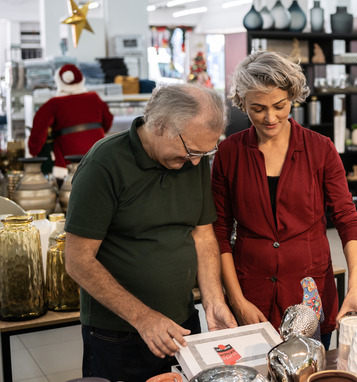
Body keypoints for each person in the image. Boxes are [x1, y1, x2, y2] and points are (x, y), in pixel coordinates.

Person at [64, 84, 237, 381]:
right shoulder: (104, 163)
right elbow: (78, 260)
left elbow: (202, 234)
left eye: (205, 152)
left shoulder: (191, 157)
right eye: (191, 151)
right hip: (118, 334)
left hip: (183, 322)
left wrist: (213, 300)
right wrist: (143, 318)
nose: (196, 161)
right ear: (159, 125)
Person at [211, 51, 357, 349]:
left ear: (292, 96)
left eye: (280, 105)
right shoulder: (229, 153)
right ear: (242, 103)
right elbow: (219, 232)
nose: (270, 117)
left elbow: (347, 219)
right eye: (257, 108)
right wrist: (237, 301)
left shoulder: (320, 150)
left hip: (309, 292)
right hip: (250, 292)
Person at [28, 64, 113, 176]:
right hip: (98, 150)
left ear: (59, 81)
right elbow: (108, 119)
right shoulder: (94, 97)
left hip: (68, 154)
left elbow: (38, 128)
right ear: (82, 80)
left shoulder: (54, 103)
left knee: (69, 185)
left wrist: (33, 151)